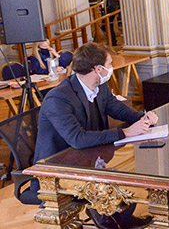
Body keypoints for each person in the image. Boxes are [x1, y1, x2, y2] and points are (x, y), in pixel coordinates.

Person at [32, 43, 157, 228]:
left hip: (89, 156)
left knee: (130, 169)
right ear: (98, 69)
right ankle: (107, 217)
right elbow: (78, 139)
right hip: (59, 168)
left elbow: (118, 110)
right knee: (122, 173)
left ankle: (118, 219)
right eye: (110, 63)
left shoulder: (100, 87)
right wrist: (125, 132)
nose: (112, 67)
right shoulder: (58, 98)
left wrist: (143, 117)